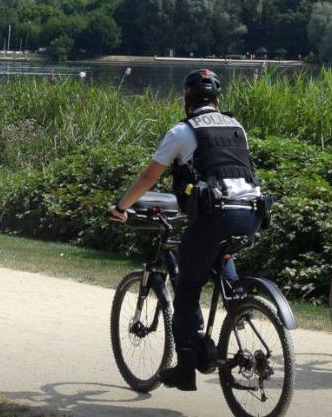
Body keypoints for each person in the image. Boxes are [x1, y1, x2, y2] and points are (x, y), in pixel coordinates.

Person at [109, 69, 264, 391]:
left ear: (186, 102)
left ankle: (185, 370)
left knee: (188, 290)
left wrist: (122, 207)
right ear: (218, 101)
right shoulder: (237, 128)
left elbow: (148, 177)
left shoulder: (183, 131)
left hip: (214, 216)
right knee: (220, 252)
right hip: (252, 213)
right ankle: (237, 303)